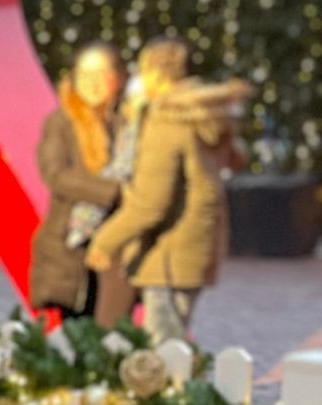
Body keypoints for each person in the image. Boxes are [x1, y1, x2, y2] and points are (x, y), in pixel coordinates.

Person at [86, 38, 249, 344]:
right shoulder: (200, 114)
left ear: (156, 75)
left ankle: (181, 389)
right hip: (195, 245)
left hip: (169, 254)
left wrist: (105, 240)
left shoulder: (167, 121)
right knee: (173, 340)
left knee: (164, 348)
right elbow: (236, 158)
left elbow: (152, 201)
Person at [29, 42, 128, 322]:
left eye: (102, 75)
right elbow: (56, 174)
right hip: (70, 245)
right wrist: (114, 192)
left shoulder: (125, 125)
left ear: (118, 79)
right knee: (77, 329)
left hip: (115, 247)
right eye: (86, 76)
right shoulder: (61, 123)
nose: (93, 84)